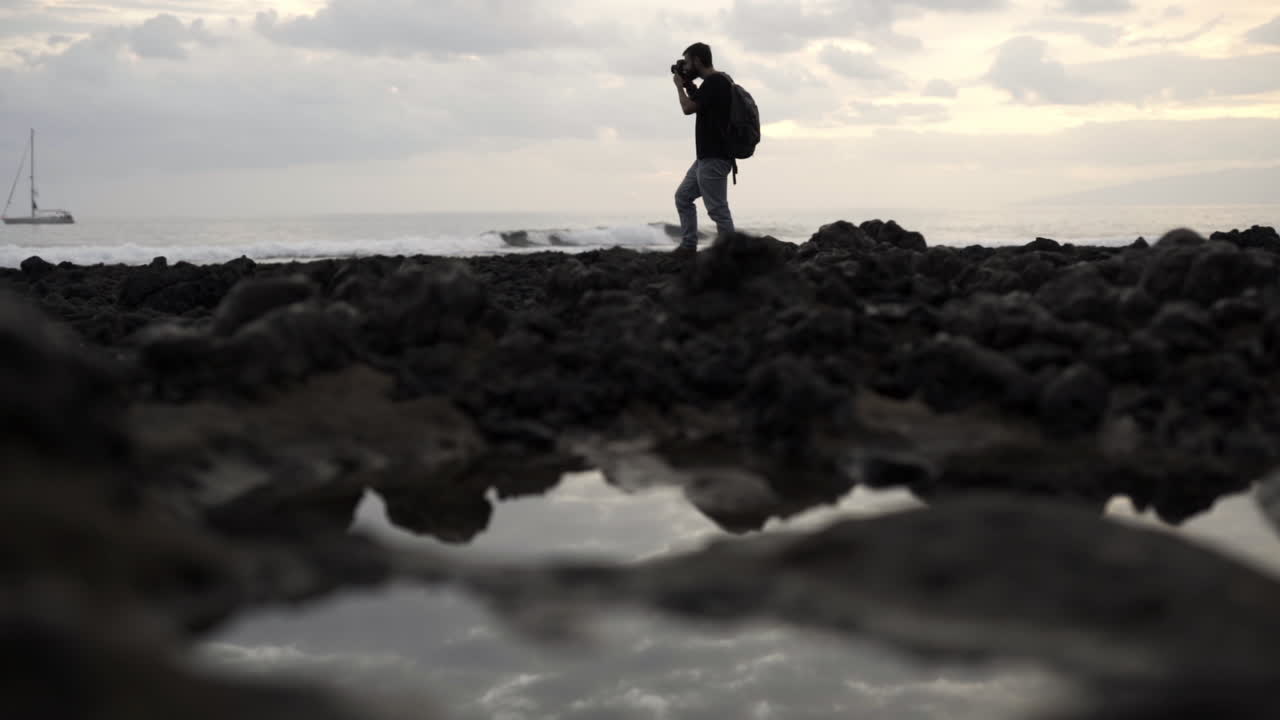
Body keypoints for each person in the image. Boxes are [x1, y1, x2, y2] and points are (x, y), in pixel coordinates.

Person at [673, 42, 735, 254]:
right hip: (706, 157)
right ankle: (689, 245)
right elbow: (701, 102)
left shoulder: (715, 82)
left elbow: (688, 108)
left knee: (717, 209)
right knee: (683, 197)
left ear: (698, 61)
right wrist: (689, 86)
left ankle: (730, 254)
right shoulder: (718, 81)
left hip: (715, 156)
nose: (687, 68)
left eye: (688, 62)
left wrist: (679, 87)